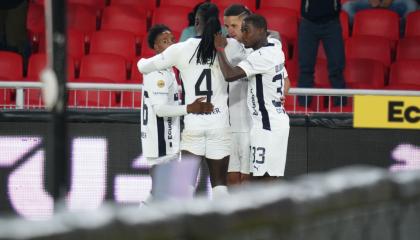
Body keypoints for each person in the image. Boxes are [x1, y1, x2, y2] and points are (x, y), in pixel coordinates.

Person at [138, 3, 248, 198]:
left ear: (196, 22)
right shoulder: (230, 46)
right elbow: (254, 49)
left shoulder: (180, 49)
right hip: (220, 125)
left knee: (185, 188)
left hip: (193, 127)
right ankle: (222, 228)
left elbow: (144, 67)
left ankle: (183, 228)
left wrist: (141, 62)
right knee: (220, 186)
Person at [140, 24, 214, 202]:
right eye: (164, 42)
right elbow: (160, 110)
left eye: (172, 40)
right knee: (162, 194)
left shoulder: (168, 70)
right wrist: (189, 108)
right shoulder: (157, 74)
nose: (171, 44)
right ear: (156, 48)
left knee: (159, 194)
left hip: (167, 139)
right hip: (159, 142)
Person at [215, 14, 290, 180]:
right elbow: (285, 81)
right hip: (270, 122)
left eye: (246, 30)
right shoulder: (274, 47)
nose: (243, 35)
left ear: (262, 31)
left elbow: (229, 74)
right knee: (265, 177)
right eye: (242, 30)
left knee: (265, 179)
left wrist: (220, 49)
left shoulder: (262, 56)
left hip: (268, 126)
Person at [298, 0, 347, 108]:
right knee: (305, 69)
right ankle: (302, 110)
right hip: (308, 23)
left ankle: (341, 110)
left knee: (337, 69)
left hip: (332, 22)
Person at [342, 0, 419, 24]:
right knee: (346, 7)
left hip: (394, 2)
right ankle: (362, 27)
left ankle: (396, 29)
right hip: (368, 2)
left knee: (412, 6)